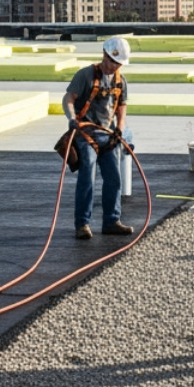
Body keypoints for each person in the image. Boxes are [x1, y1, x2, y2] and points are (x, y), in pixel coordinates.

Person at [62, 37, 133, 240]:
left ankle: (112, 221)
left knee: (114, 178)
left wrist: (119, 129)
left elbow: (121, 107)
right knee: (87, 176)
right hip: (85, 134)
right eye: (112, 62)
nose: (114, 67)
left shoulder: (120, 80)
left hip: (107, 134)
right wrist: (72, 118)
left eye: (118, 63)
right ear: (104, 55)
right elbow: (68, 99)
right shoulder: (85, 75)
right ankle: (82, 224)